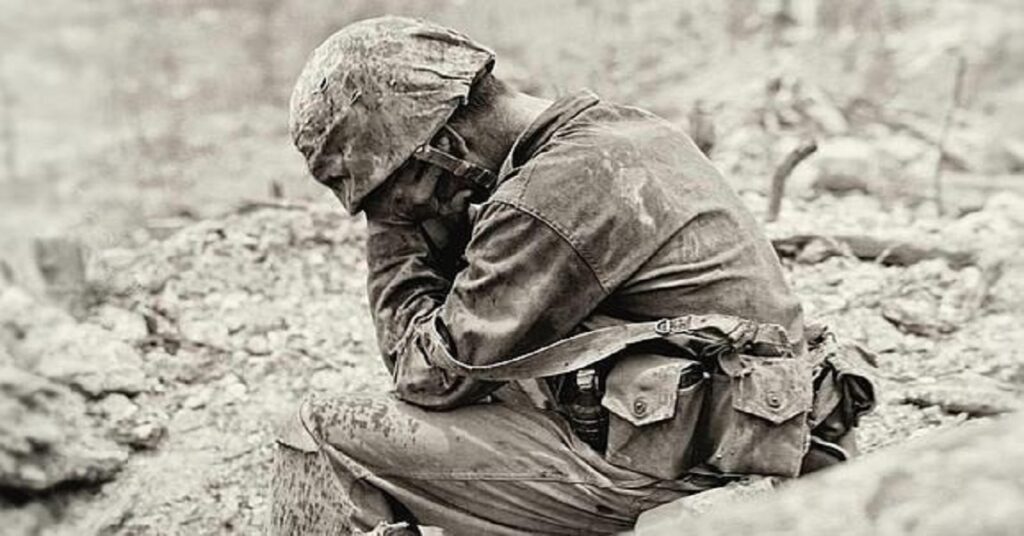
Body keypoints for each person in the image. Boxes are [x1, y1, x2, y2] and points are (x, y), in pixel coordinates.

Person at [272, 15, 875, 536]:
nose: (397, 210)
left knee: (322, 430)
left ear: (447, 144)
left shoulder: (547, 197)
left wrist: (394, 236)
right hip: (754, 436)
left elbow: (424, 375)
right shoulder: (616, 133)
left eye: (391, 192)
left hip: (700, 470)